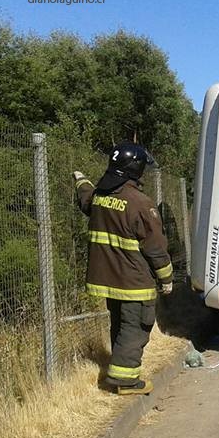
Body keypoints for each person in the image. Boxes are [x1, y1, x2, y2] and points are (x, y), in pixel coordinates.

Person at [73, 142, 173, 395]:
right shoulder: (140, 203)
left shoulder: (100, 197)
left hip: (108, 279)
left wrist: (81, 181)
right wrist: (167, 278)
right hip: (134, 281)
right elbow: (155, 247)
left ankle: (118, 368)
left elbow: (86, 199)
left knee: (120, 322)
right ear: (136, 169)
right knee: (136, 326)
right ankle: (125, 380)